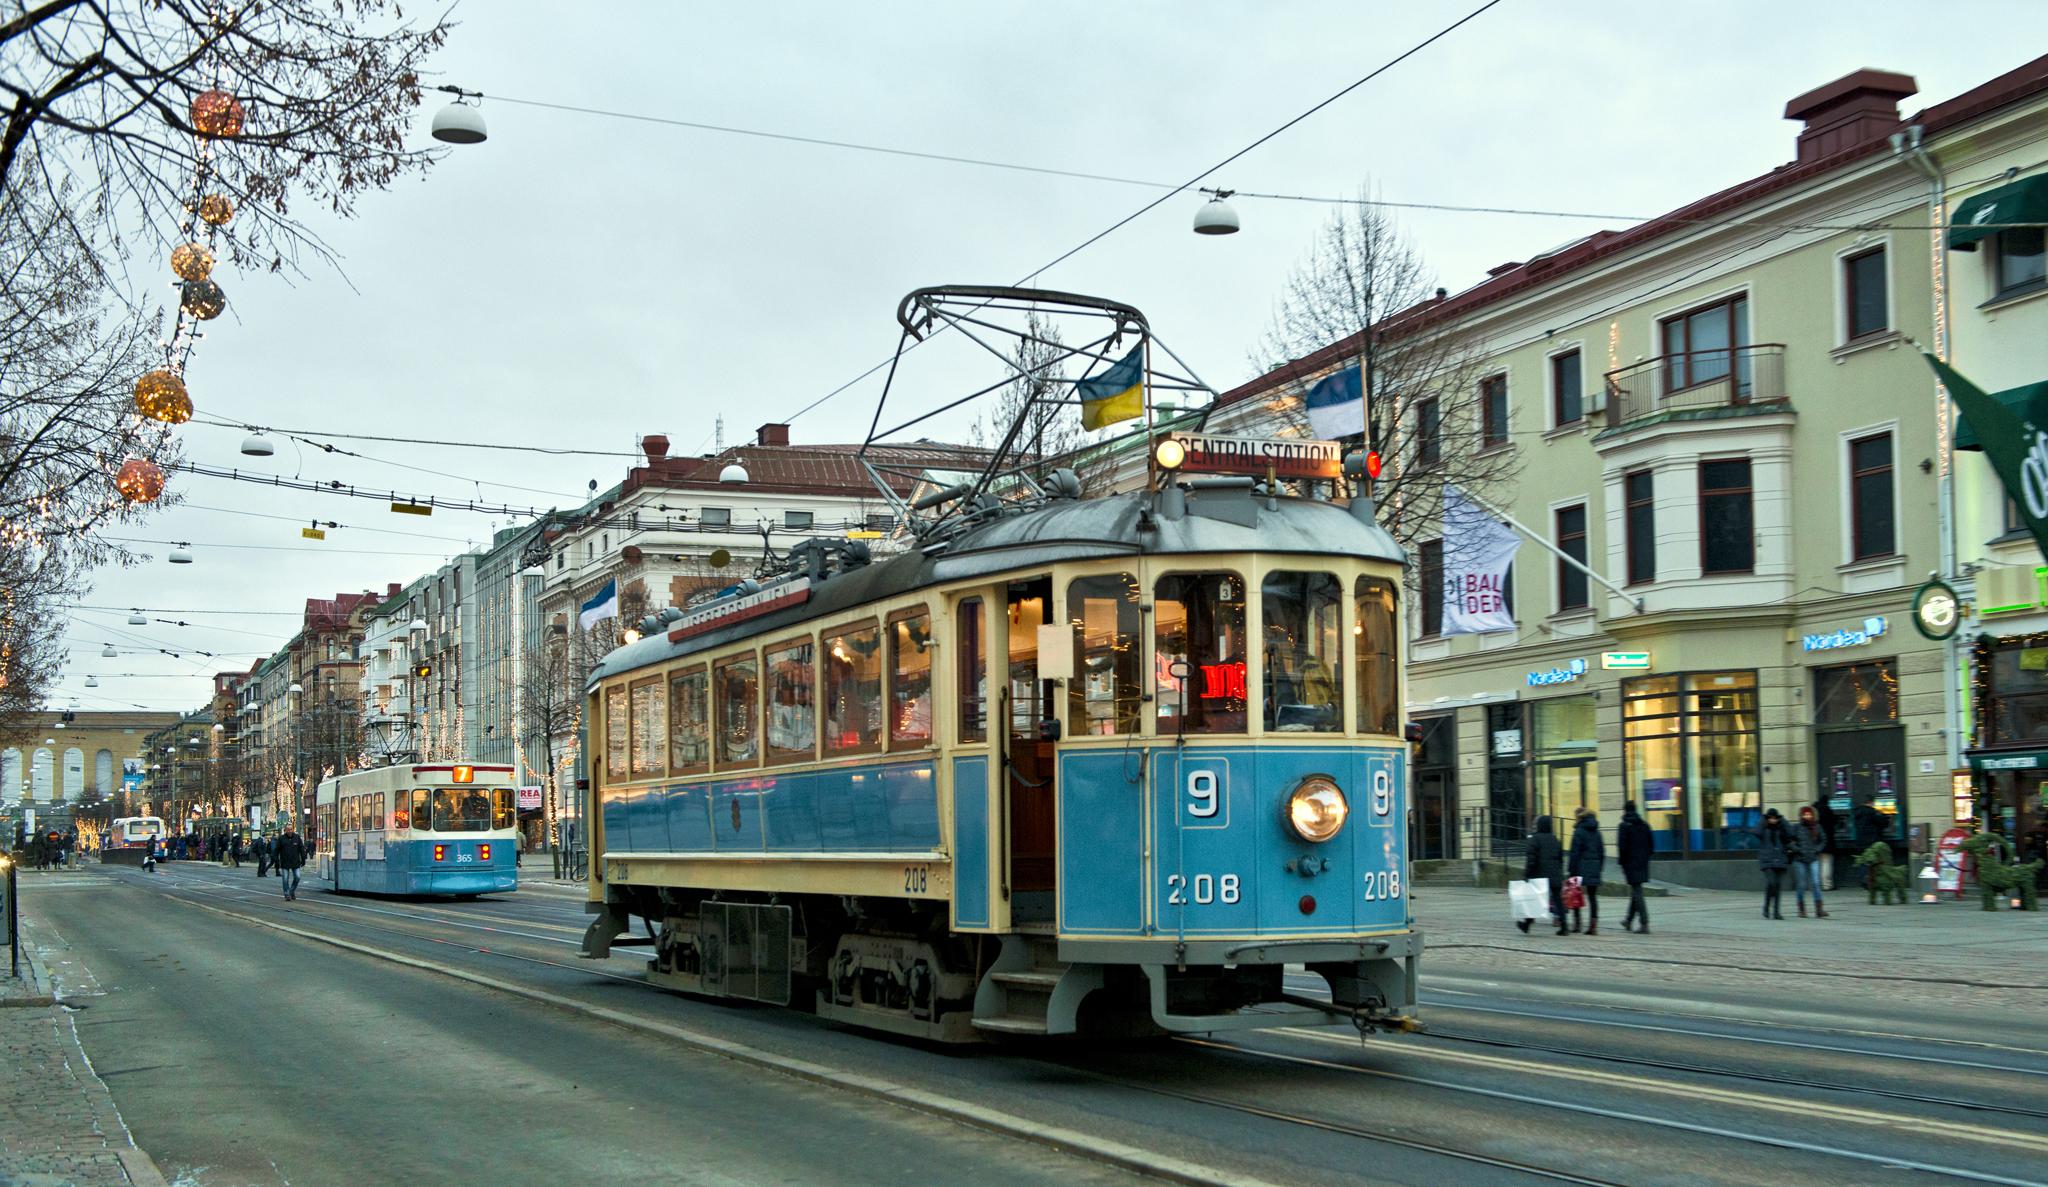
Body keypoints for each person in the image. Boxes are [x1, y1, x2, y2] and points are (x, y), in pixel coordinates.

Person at [1518, 815, 1567, 936]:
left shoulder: (1534, 839)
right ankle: (1564, 926)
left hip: (1539, 875)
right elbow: (1561, 859)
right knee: (1558, 900)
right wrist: (1559, 872)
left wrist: (1527, 874)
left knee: (1534, 900)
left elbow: (1531, 859)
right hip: (1555, 874)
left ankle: (1526, 924)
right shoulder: (1555, 839)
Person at [1618, 799, 1654, 933]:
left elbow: (1622, 847)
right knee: (1636, 889)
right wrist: (1645, 857)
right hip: (1642, 862)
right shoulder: (1644, 825)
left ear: (1625, 810)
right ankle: (1628, 920)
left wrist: (1622, 862)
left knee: (1637, 891)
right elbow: (1651, 845)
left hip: (1630, 862)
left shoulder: (1624, 826)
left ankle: (1644, 923)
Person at [1568, 807, 1605, 935]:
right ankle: (1593, 926)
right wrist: (1599, 868)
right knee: (1593, 897)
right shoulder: (1597, 832)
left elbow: (1575, 853)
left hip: (1580, 867)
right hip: (1594, 866)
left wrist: (1571, 871)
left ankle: (1577, 924)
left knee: (1575, 895)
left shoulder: (1578, 831)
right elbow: (1601, 852)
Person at [1789, 805, 1829, 918]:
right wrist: (1797, 849)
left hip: (1813, 858)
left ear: (1813, 815)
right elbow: (1790, 841)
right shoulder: (1796, 827)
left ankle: (1819, 909)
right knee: (1801, 884)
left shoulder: (1817, 827)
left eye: (1809, 814)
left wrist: (1817, 850)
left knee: (1816, 883)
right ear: (1802, 815)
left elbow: (1823, 840)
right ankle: (1801, 910)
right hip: (1799, 859)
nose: (1807, 816)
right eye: (1805, 814)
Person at [1757, 808, 1790, 919]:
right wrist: (1763, 819)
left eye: (1775, 818)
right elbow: (1757, 832)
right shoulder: (1764, 828)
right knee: (1772, 883)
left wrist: (1783, 819)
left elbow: (1791, 833)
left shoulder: (1781, 829)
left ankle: (1776, 911)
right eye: (1770, 818)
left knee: (1777, 885)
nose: (1773, 820)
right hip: (1767, 860)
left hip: (1780, 859)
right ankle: (1766, 907)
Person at [1813, 797, 1842, 890]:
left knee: (1818, 864)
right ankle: (1826, 885)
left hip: (1815, 842)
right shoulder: (1827, 811)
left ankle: (1818, 884)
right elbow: (1836, 822)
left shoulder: (1814, 812)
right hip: (1827, 843)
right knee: (1826, 863)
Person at [274, 824, 306, 901]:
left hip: (295, 861)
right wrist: (276, 861)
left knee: (297, 877)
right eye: (288, 829)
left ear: (293, 829)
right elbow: (276, 850)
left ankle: (291, 891)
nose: (290, 831)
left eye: (291, 829)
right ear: (285, 830)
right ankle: (287, 894)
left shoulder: (297, 837)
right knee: (285, 879)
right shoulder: (281, 839)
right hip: (285, 862)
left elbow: (301, 848)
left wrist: (303, 858)